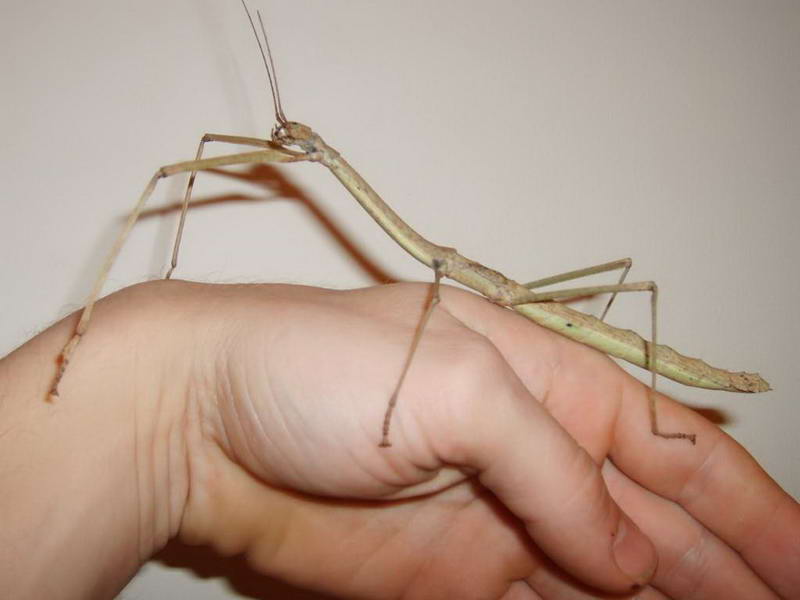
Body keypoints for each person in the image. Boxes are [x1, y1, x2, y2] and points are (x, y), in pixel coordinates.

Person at [1, 280, 797, 600]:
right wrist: (175, 397)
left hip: (537, 305)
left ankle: (669, 400)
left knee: (634, 281)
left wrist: (174, 402)